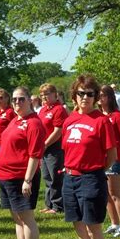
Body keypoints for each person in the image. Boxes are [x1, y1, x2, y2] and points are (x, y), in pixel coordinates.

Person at [62, 75, 117, 239]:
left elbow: (111, 154)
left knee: (93, 227)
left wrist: (95, 170)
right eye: (81, 93)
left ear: (96, 97)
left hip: (91, 178)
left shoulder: (101, 121)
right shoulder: (69, 120)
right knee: (79, 226)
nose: (85, 97)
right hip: (70, 177)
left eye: (90, 94)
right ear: (74, 96)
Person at [0, 86, 45, 239]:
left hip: (20, 177)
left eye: (21, 99)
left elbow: (35, 154)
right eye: (14, 99)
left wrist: (27, 180)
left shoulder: (34, 123)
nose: (17, 102)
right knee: (17, 217)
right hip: (5, 175)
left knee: (26, 217)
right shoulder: (15, 120)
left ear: (30, 101)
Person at [98, 85, 120, 237]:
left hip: (114, 159)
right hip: (100, 160)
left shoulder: (117, 116)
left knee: (115, 193)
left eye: (102, 95)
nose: (99, 98)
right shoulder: (98, 115)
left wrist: (114, 152)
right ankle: (114, 223)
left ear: (109, 97)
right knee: (106, 194)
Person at [38, 83, 68, 214]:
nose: (44, 97)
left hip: (54, 147)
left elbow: (58, 131)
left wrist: (45, 144)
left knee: (56, 177)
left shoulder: (58, 109)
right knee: (47, 177)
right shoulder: (43, 110)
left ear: (55, 95)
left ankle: (58, 206)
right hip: (44, 148)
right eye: (42, 94)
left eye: (47, 94)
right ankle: (49, 204)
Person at [0, 89, 16, 155]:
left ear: (7, 98)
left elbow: (14, 129)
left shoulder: (10, 112)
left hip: (6, 144)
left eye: (0, 98)